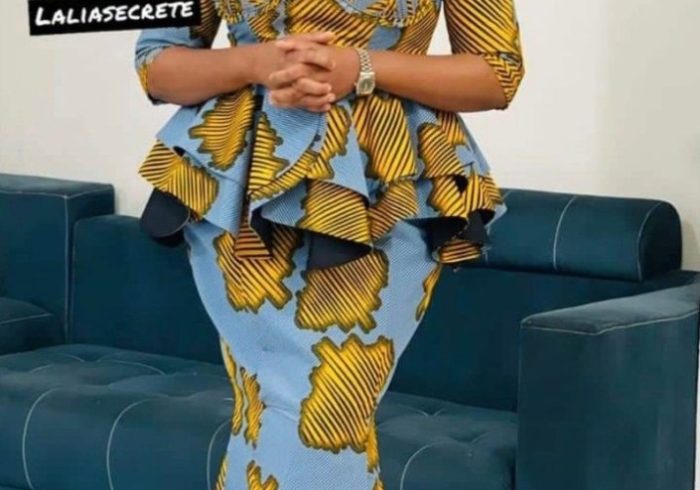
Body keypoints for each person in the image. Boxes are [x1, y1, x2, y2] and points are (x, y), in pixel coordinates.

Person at [133, 0, 524, 488]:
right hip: (240, 187)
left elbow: (497, 72)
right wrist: (255, 63)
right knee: (264, 403)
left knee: (328, 411)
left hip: (383, 190)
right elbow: (156, 62)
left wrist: (360, 67)